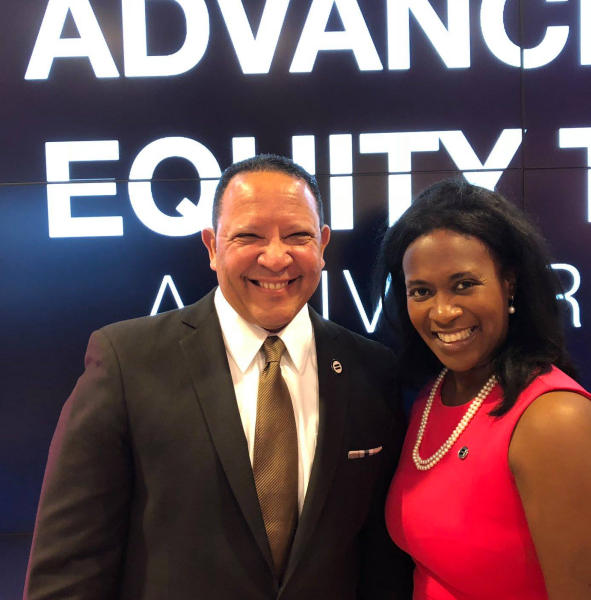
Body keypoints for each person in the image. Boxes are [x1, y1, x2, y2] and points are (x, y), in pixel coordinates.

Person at [24, 155, 413, 599]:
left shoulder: (372, 369)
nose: (275, 257)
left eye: (298, 236)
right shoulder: (126, 364)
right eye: (249, 235)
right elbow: (70, 567)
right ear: (211, 246)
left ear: (322, 244)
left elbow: (381, 562)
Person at [379, 179, 591, 599]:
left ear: (510, 283)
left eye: (464, 284)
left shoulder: (556, 420)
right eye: (421, 291)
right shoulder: (433, 397)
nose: (442, 312)